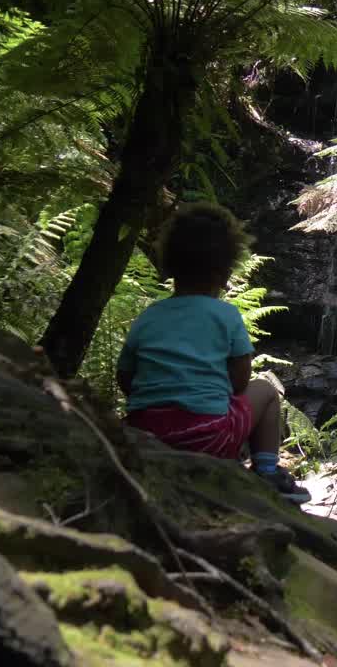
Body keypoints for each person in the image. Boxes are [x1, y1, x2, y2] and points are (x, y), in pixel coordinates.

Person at [115, 202, 310, 504]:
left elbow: (125, 377)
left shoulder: (149, 317)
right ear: (225, 272)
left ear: (168, 264)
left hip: (146, 436)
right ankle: (267, 474)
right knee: (267, 391)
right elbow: (241, 382)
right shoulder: (226, 316)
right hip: (208, 439)